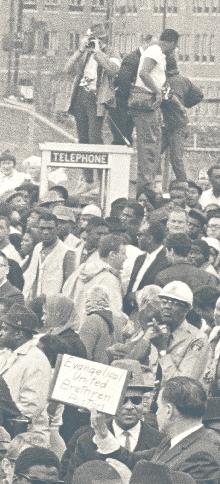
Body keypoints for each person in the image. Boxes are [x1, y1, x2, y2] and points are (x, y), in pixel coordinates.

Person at [91, 376, 220, 484]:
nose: (155, 412)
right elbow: (132, 459)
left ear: (168, 410)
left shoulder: (203, 454)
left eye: (157, 407)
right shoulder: (172, 441)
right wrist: (102, 432)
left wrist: (131, 482)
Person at [0, 306, 52, 433]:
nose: (0, 332)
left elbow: (32, 406)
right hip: (6, 429)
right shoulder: (8, 353)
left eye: (5, 329)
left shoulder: (36, 360)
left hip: (27, 434)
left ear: (18, 334)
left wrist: (1, 417)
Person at [129, 29, 180, 189]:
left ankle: (148, 182)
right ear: (171, 42)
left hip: (151, 103)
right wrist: (157, 92)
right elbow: (144, 73)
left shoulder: (159, 54)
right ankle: (146, 186)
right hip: (146, 101)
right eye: (175, 45)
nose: (175, 49)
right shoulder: (155, 51)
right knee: (148, 146)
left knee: (153, 144)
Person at [61, 31, 121, 144]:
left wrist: (98, 52)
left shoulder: (112, 52)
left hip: (96, 97)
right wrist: (80, 50)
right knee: (83, 137)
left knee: (94, 136)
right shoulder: (85, 53)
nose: (93, 42)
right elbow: (67, 69)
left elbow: (113, 70)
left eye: (97, 39)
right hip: (80, 95)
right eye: (91, 39)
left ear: (103, 39)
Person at [150, 282, 211, 382]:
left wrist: (162, 351)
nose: (167, 306)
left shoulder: (198, 339)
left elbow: (182, 383)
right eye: (164, 302)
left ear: (187, 309)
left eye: (174, 303)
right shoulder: (158, 334)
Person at [63, 234, 126, 324]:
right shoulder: (108, 278)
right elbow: (114, 314)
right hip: (96, 331)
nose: (126, 257)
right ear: (112, 254)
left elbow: (66, 291)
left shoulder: (82, 269)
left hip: (75, 328)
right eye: (123, 253)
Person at [23, 212, 76, 301]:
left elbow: (69, 287)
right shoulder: (37, 248)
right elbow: (31, 277)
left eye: (50, 228)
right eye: (42, 228)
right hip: (35, 302)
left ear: (57, 229)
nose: (46, 232)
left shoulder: (67, 253)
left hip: (53, 305)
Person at [124, 221, 169, 313]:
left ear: (150, 238)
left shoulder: (165, 260)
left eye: (140, 235)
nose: (138, 238)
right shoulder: (140, 258)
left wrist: (137, 296)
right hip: (132, 311)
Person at [78, 286, 119, 365]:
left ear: (98, 301)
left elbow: (84, 354)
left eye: (88, 300)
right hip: (111, 371)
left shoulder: (92, 320)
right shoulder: (117, 319)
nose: (86, 304)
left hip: (94, 371)